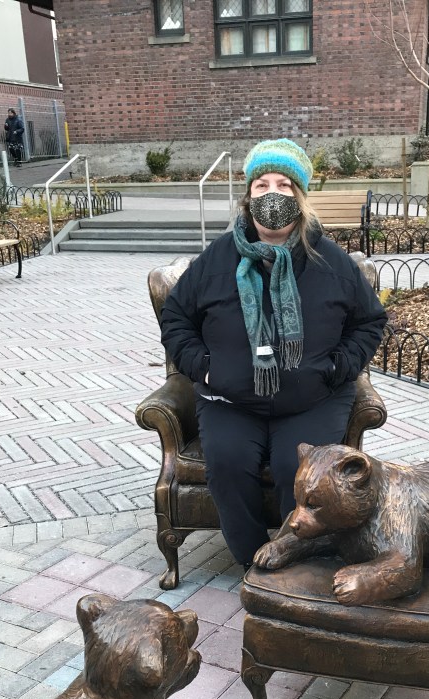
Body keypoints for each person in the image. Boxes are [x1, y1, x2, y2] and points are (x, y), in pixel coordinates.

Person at [160, 137, 387, 569]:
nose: (272, 195)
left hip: (311, 399)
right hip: (230, 399)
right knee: (227, 463)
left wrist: (338, 367)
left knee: (294, 469)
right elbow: (176, 317)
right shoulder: (218, 258)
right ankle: (254, 564)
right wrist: (203, 368)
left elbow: (369, 321)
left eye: (284, 185)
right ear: (248, 196)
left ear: (299, 196)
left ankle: (293, 563)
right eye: (262, 185)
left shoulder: (331, 261)